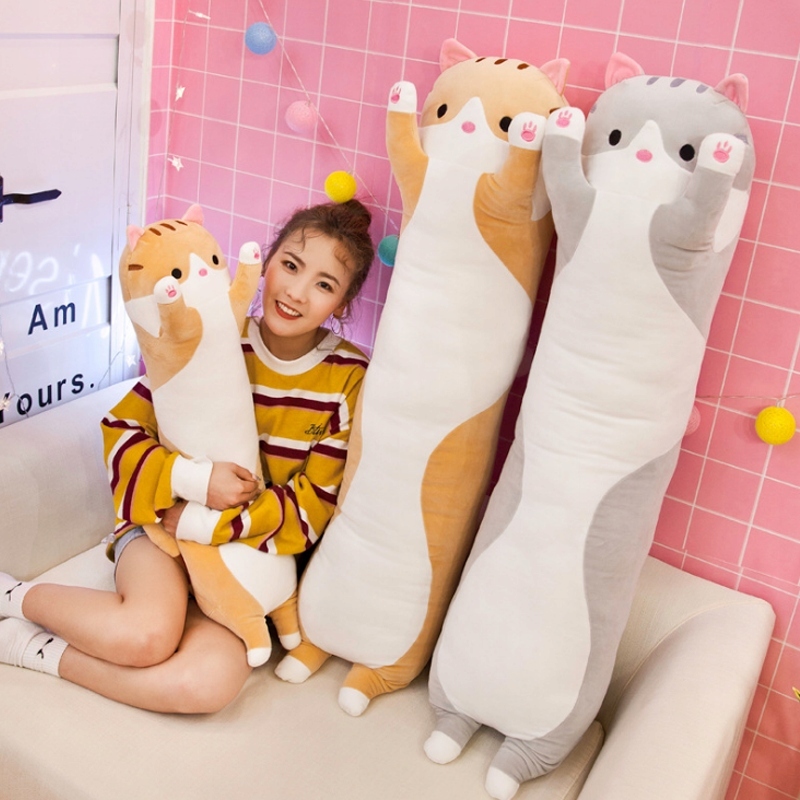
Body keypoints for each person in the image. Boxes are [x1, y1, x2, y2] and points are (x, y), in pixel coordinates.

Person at [0, 199, 374, 713]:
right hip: (164, 533)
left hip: (243, 564)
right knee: (146, 636)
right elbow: (122, 430)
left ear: (343, 302)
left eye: (324, 284)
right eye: (290, 265)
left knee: (205, 686)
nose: (296, 292)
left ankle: (33, 649)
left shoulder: (348, 379)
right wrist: (193, 481)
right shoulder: (212, 331)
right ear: (265, 261)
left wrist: (210, 523)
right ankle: (12, 598)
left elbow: (313, 507)